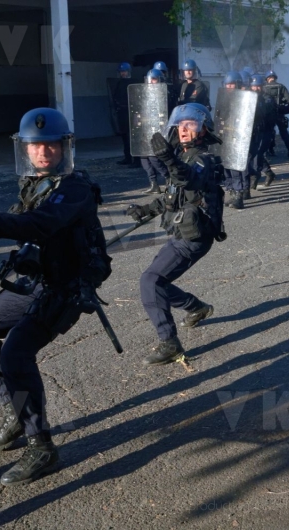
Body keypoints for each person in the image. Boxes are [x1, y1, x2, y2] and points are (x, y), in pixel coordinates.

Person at [0, 107, 111, 486]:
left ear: (64, 148)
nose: (43, 153)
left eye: (51, 146)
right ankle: (17, 410)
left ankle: (41, 446)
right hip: (35, 284)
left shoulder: (75, 187)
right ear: (25, 150)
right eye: (35, 146)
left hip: (65, 289)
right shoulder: (33, 185)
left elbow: (42, 224)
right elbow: (23, 220)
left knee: (15, 352)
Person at [126, 103, 226, 365]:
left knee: (150, 281)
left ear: (203, 129)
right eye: (180, 124)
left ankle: (169, 342)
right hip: (183, 232)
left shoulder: (203, 158)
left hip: (194, 238)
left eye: (191, 124)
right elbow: (174, 196)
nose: (184, 128)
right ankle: (196, 308)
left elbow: (190, 180)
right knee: (158, 282)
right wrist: (146, 209)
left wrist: (169, 159)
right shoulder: (183, 156)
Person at [220, 71, 247, 210]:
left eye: (231, 84)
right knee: (226, 167)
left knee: (236, 168)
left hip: (239, 137)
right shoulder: (224, 99)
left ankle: (238, 195)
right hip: (226, 136)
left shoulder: (244, 98)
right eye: (227, 84)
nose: (229, 87)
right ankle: (231, 191)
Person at [141, 69, 171, 194]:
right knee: (143, 157)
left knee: (154, 157)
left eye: (154, 79)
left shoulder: (164, 93)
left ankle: (167, 177)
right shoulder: (145, 93)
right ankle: (153, 183)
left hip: (157, 129)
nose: (151, 82)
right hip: (146, 127)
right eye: (150, 79)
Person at [248, 74, 278, 191]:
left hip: (266, 131)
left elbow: (264, 111)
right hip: (254, 131)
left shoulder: (267, 98)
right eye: (254, 86)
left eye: (258, 86)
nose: (256, 89)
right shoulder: (249, 98)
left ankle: (255, 177)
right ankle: (269, 173)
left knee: (258, 154)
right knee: (253, 154)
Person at [263, 70, 289, 158]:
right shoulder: (281, 86)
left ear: (267, 78)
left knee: (268, 133)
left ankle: (270, 151)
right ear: (275, 78)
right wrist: (281, 102)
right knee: (284, 133)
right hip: (279, 113)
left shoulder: (264, 87)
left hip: (268, 114)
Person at [112, 62, 133, 165]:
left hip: (130, 113)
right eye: (121, 72)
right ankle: (127, 157)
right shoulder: (119, 83)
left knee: (132, 138)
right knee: (124, 137)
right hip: (122, 113)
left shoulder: (132, 83)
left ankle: (136, 160)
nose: (122, 74)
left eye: (124, 71)